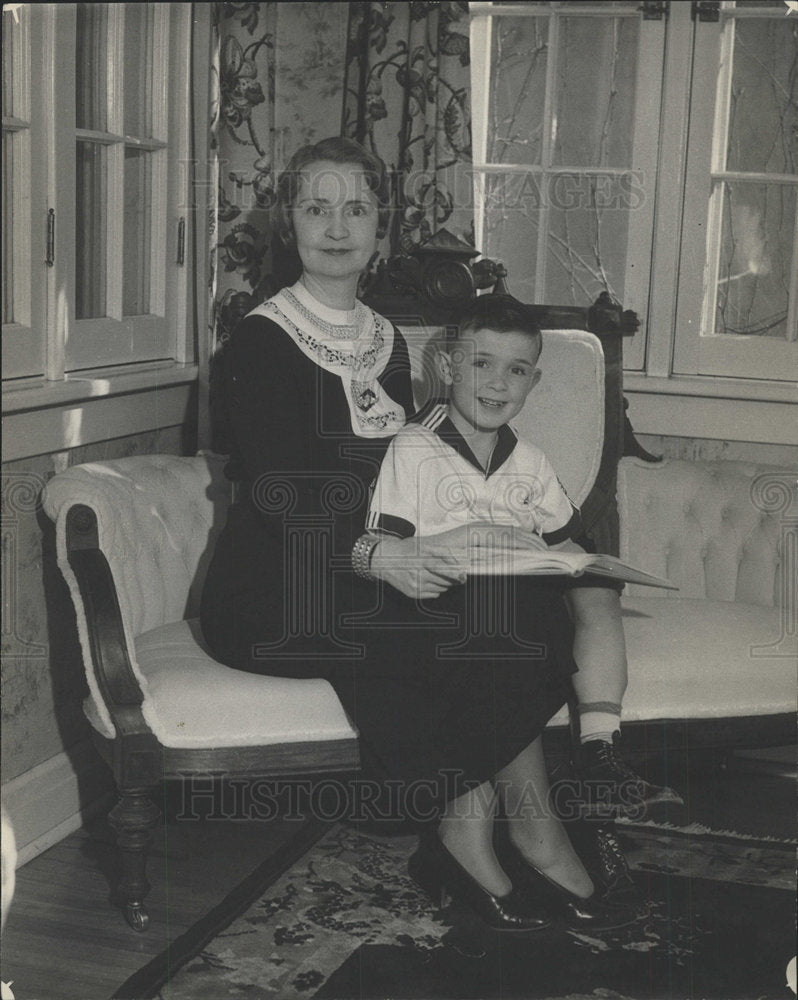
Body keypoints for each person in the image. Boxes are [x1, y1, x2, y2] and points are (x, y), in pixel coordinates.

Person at [200, 136, 636, 933]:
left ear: (381, 229)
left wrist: (471, 537)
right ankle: (524, 834)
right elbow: (276, 491)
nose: (337, 227)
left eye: (357, 209)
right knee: (471, 638)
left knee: (524, 613)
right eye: (316, 208)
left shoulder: (386, 340)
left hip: (369, 571)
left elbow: (407, 469)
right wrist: (380, 554)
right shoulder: (258, 341)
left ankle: (469, 830)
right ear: (287, 224)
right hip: (274, 591)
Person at [368, 293, 682, 821]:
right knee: (511, 635)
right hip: (447, 599)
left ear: (533, 383)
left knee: (597, 590)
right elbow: (394, 544)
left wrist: (587, 566)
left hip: (521, 592)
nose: (498, 383)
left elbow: (565, 541)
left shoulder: (531, 462)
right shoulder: (414, 448)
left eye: (516, 370)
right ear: (448, 367)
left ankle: (598, 750)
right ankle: (509, 813)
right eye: (481, 364)